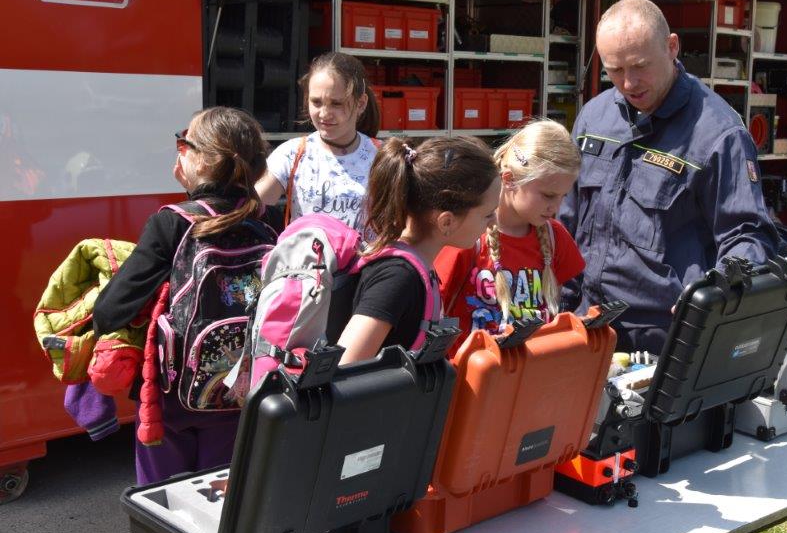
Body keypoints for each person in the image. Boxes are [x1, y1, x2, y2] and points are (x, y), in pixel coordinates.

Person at [560, 0, 780, 355]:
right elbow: (564, 220)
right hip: (586, 326)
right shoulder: (593, 118)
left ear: (672, 47)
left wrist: (716, 290)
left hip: (664, 342)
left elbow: (748, 235)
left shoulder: (719, 134)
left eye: (640, 66)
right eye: (614, 70)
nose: (629, 83)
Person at [93, 107, 282, 484]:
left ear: (206, 160)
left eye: (184, 144)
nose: (179, 152)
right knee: (224, 500)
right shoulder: (268, 221)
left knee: (164, 504)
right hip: (242, 394)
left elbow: (110, 312)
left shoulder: (173, 222)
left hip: (173, 400)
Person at [329, 136, 500, 365]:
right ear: (446, 222)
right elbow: (346, 365)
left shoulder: (417, 267)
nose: (494, 221)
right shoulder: (397, 278)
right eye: (488, 214)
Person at [434, 120, 585, 352]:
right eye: (548, 195)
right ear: (509, 179)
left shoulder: (555, 237)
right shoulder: (467, 236)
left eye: (563, 196)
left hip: (531, 379)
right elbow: (434, 309)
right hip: (471, 381)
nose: (556, 207)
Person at [256, 51, 381, 227]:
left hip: (366, 255)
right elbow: (252, 208)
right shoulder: (292, 154)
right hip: (307, 255)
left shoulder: (382, 156)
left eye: (336, 103)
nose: (324, 114)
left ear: (361, 103)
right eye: (316, 102)